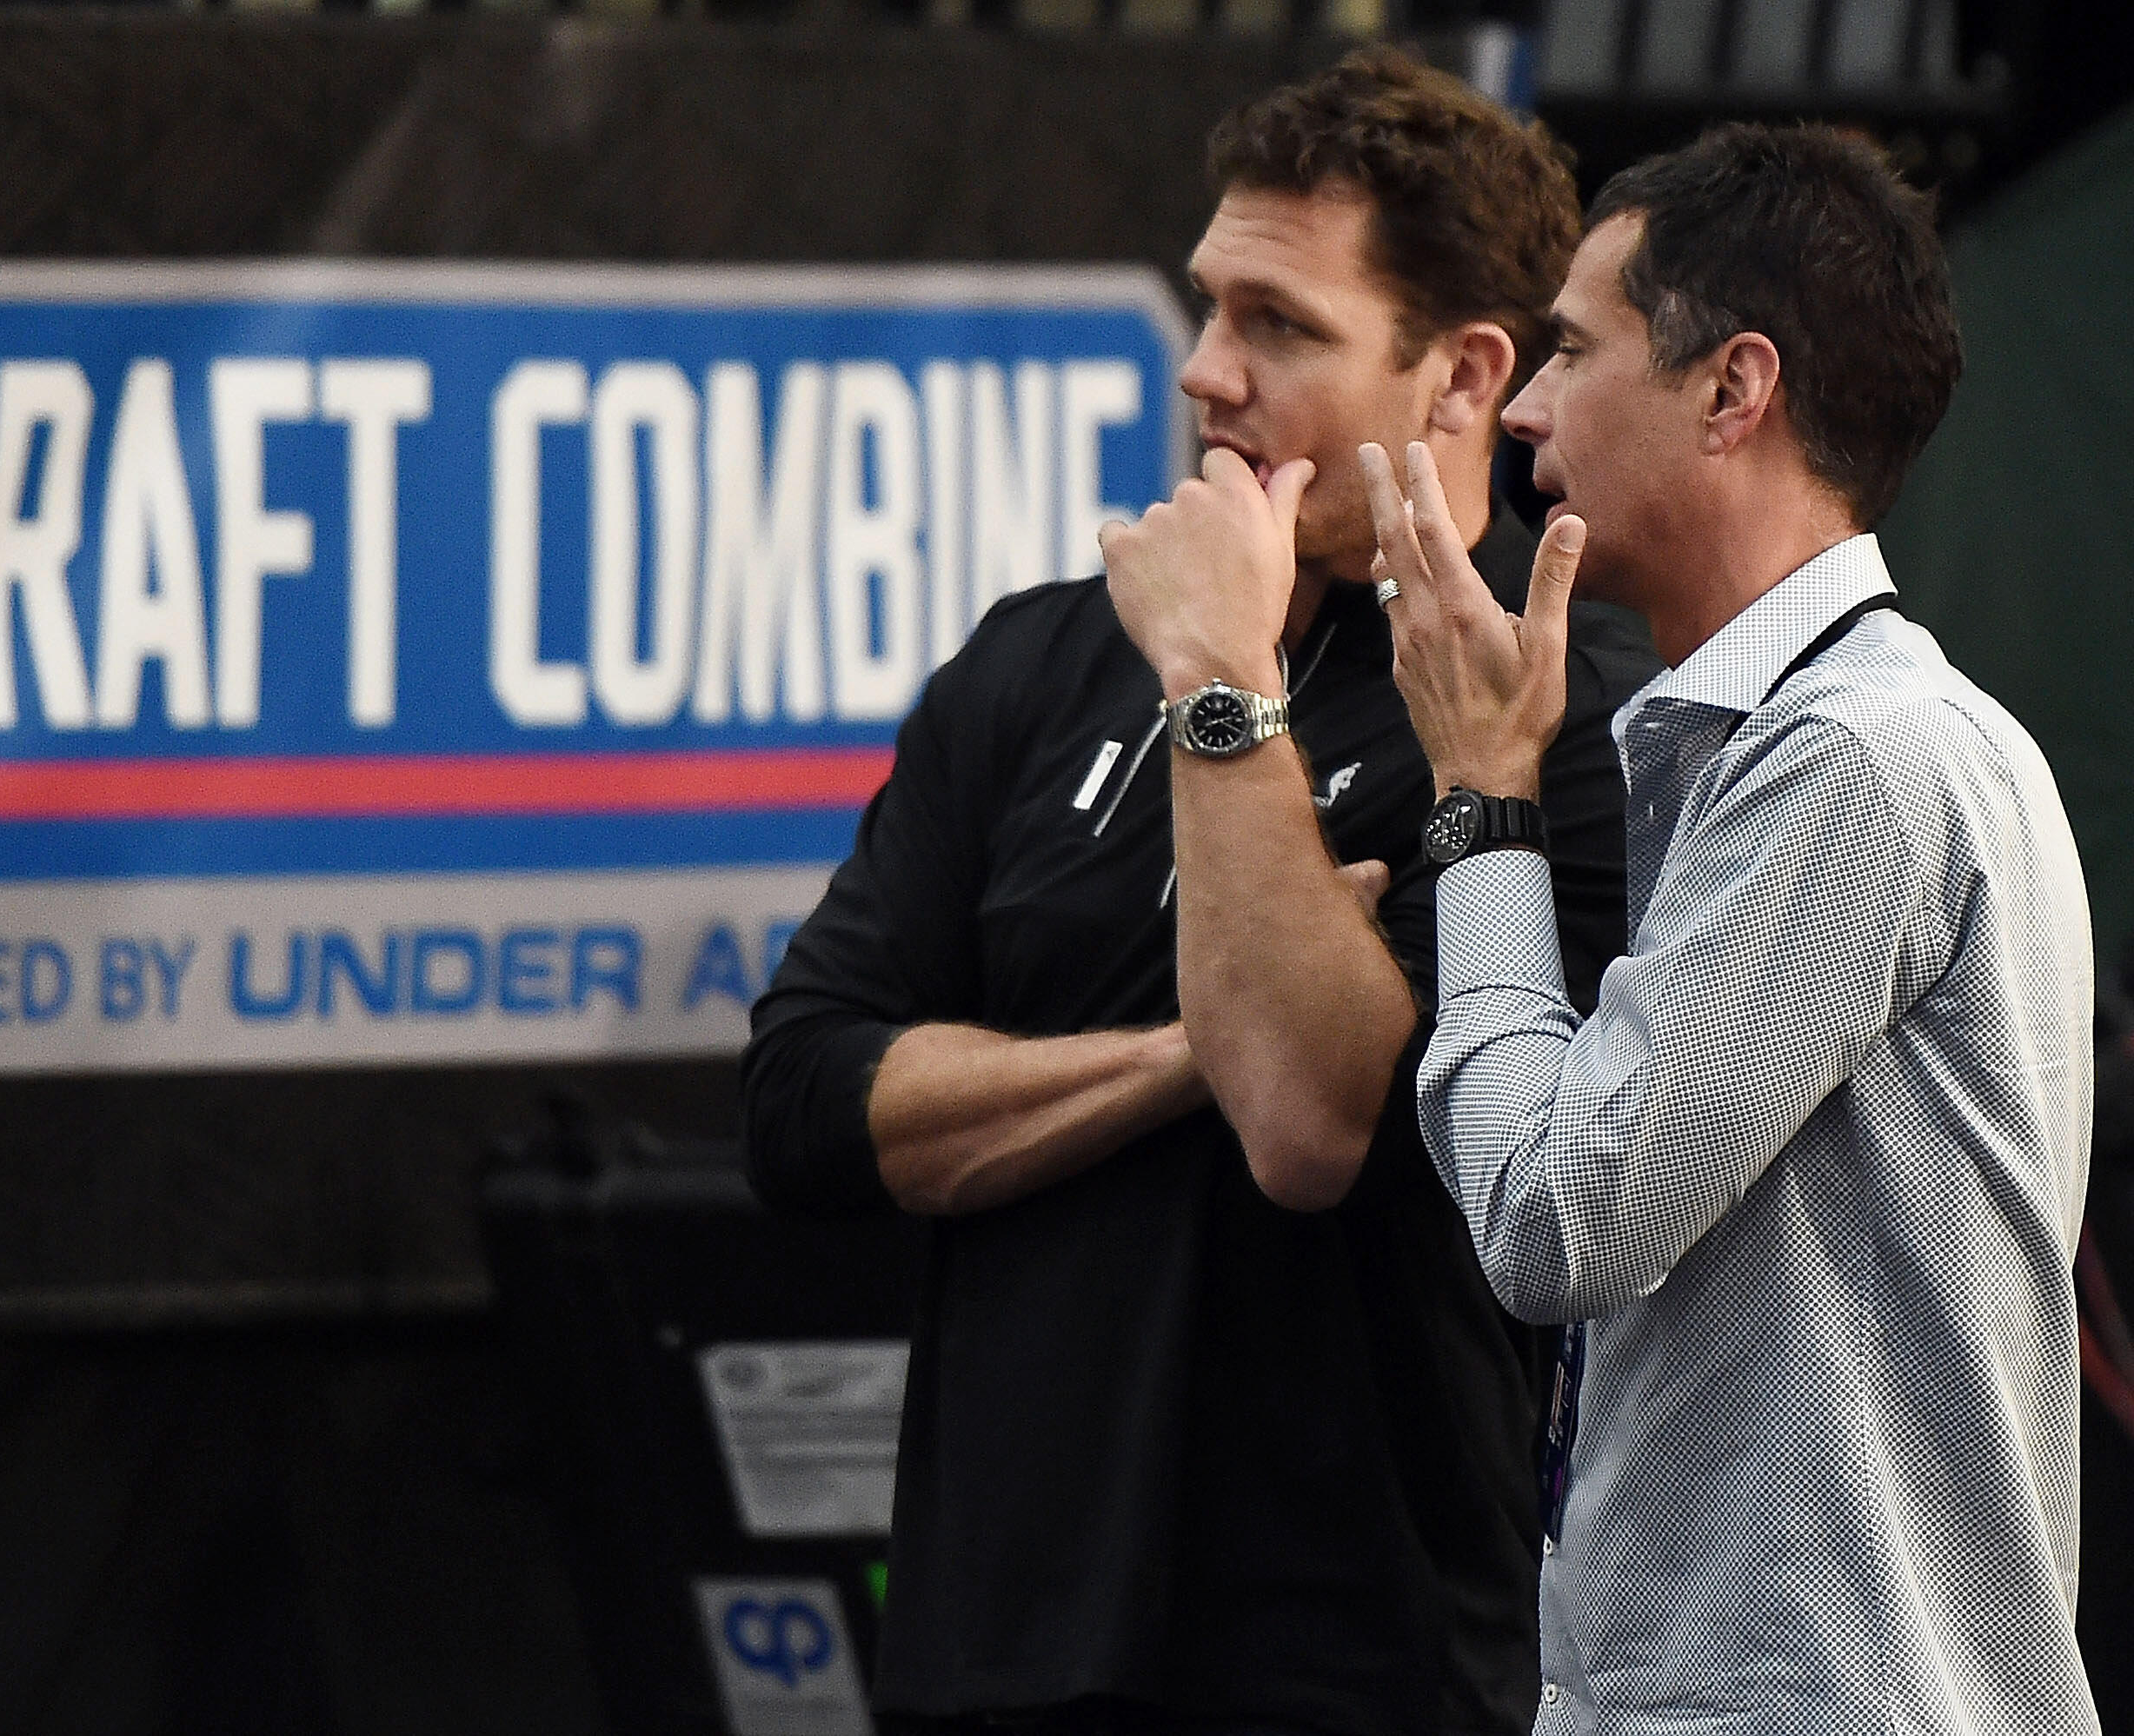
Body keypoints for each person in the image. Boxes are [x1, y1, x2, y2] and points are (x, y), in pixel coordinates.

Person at [743, 48, 1659, 1735]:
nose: (1203, 372)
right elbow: (804, 1101)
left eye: (1280, 326)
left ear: (1464, 375)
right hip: (995, 1651)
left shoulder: (1557, 723)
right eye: (1207, 305)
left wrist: (1222, 681)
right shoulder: (1033, 661)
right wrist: (1190, 1051)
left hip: (1362, 1667)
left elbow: (1314, 1124)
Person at [1346, 125, 2097, 1732]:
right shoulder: (1819, 741)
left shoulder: (1855, 756)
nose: (1528, 410)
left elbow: (1558, 1221)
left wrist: (1483, 793)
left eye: (1569, 346)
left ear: (1731, 388)